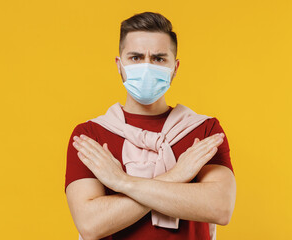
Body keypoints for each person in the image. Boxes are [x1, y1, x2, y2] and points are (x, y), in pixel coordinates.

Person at [65, 12, 236, 240]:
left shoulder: (204, 131)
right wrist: (176, 176)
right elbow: (90, 224)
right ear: (119, 65)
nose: (147, 67)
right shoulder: (90, 136)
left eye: (158, 59)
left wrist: (121, 182)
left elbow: (220, 208)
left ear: (174, 68)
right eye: (135, 58)